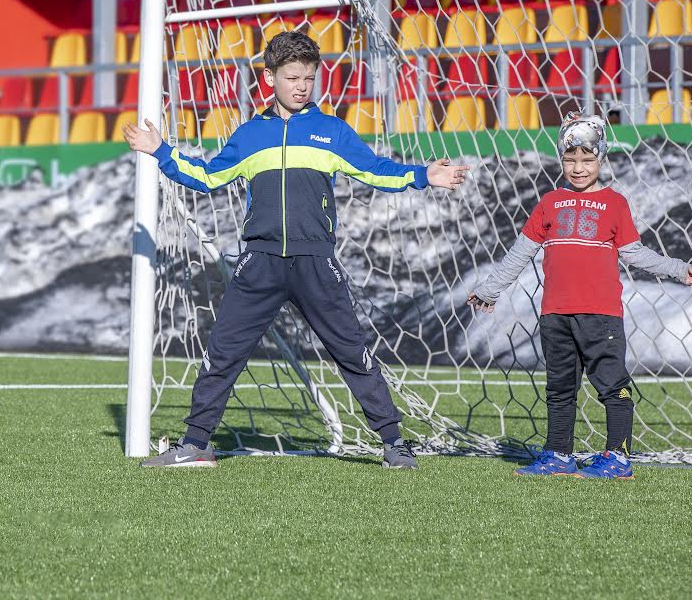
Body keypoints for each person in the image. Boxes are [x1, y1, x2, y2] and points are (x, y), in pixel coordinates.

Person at [124, 29, 469, 469]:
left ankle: (394, 444)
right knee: (222, 353)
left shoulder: (332, 131)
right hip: (259, 263)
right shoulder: (249, 136)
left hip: (316, 263)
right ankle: (195, 445)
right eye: (292, 77)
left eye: (309, 77)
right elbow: (208, 177)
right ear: (269, 78)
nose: (302, 86)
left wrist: (423, 175)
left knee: (352, 351)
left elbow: (376, 171)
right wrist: (162, 151)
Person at [467, 113, 692, 479]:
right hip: (555, 315)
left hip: (601, 316)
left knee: (612, 386)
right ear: (561, 159)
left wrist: (678, 268)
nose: (578, 167)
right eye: (570, 159)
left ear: (601, 157)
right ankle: (558, 455)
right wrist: (491, 289)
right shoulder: (549, 202)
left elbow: (635, 253)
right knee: (559, 388)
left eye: (587, 159)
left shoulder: (615, 203)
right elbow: (521, 252)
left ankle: (618, 458)